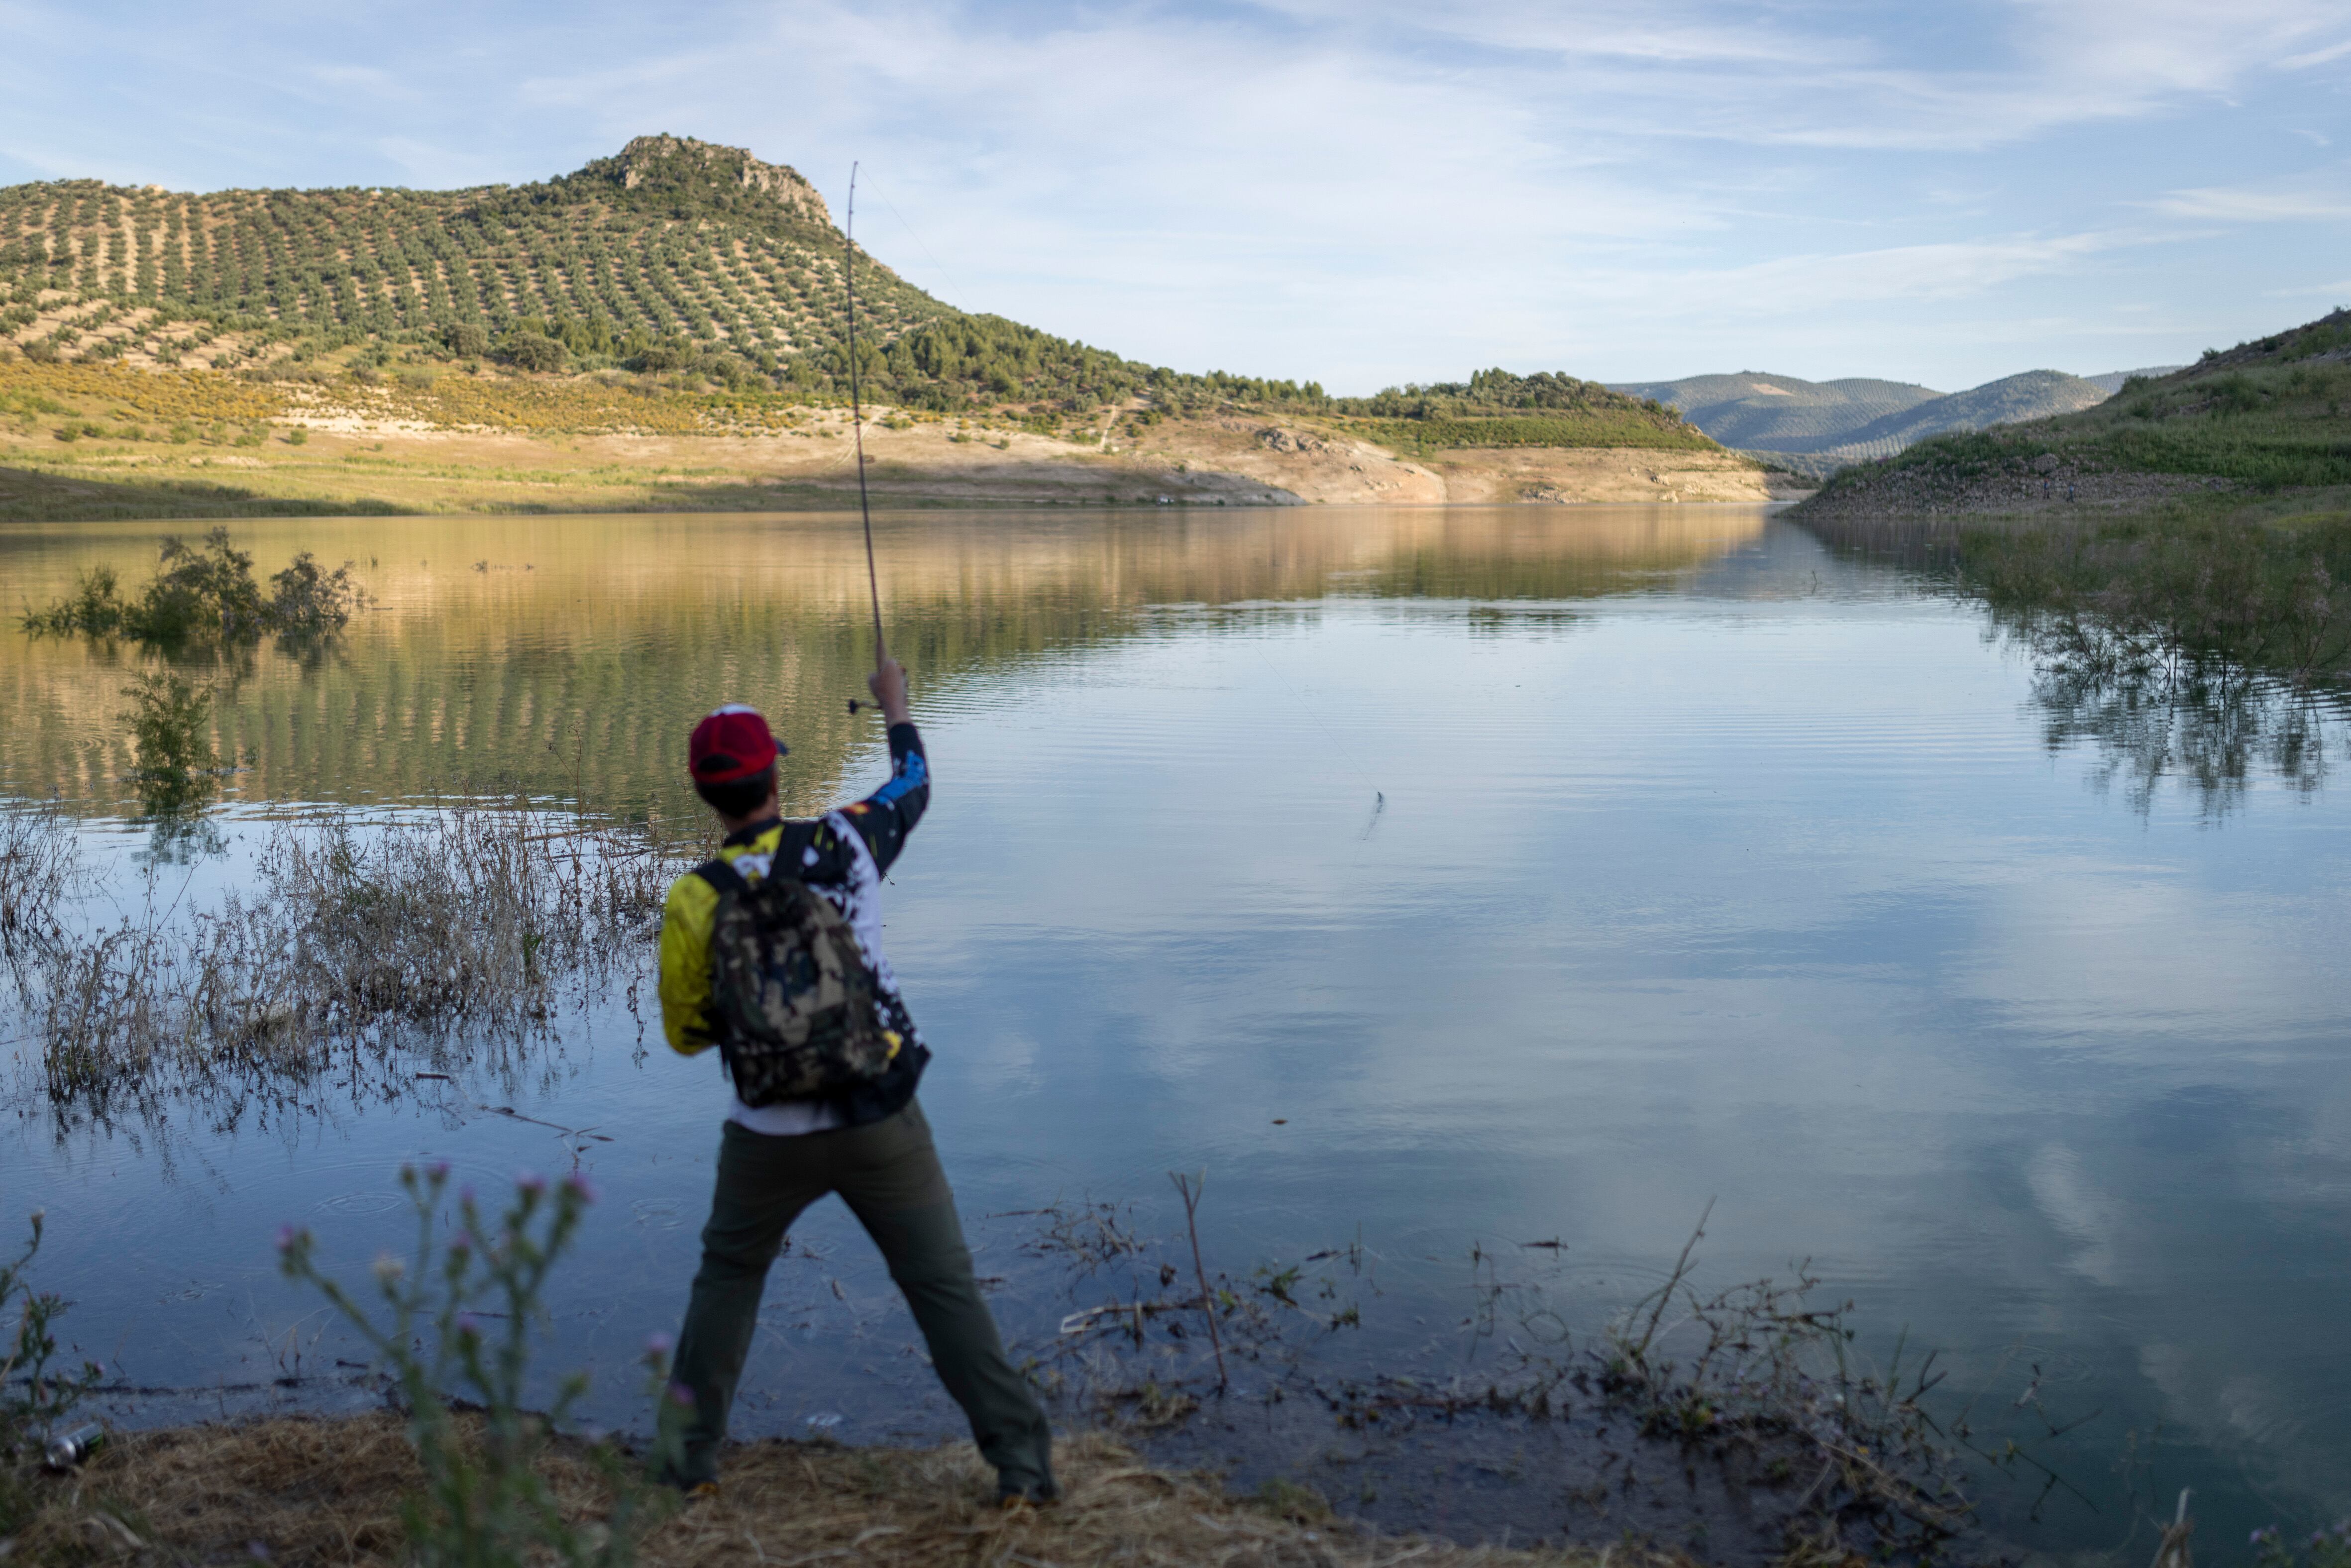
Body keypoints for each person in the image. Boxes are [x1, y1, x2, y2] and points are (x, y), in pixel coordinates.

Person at [655, 657, 1057, 1503]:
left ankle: (687, 1465)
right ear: (776, 774)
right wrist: (896, 706)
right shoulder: (847, 839)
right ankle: (1021, 1469)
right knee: (940, 1286)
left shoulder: (696, 898)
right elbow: (913, 782)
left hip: (764, 1133)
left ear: (707, 794)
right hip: (879, 1113)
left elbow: (689, 1037)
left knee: (727, 1278)